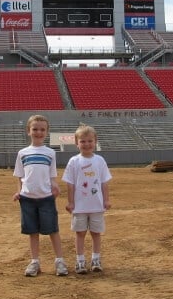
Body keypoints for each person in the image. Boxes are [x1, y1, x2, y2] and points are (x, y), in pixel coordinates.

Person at [13, 114, 68, 277]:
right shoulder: (22, 153)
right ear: (28, 131)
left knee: (53, 230)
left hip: (46, 198)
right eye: (35, 129)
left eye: (42, 129)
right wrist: (19, 191)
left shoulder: (50, 153)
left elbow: (52, 176)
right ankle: (35, 261)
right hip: (27, 199)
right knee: (32, 231)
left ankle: (59, 260)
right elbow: (19, 176)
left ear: (47, 132)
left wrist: (55, 185)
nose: (39, 132)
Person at [62, 124, 112, 274]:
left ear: (95, 141)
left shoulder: (100, 160)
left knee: (96, 233)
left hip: (96, 205)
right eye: (82, 141)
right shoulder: (74, 161)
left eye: (90, 141)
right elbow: (70, 184)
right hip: (79, 206)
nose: (86, 144)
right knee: (80, 233)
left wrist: (106, 200)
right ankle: (80, 260)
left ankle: (96, 259)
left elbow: (104, 183)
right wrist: (70, 202)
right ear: (76, 143)